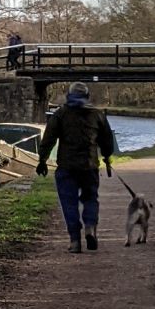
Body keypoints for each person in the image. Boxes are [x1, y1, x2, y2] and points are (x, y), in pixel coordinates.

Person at [36, 80, 117, 252]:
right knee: (90, 199)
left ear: (69, 96)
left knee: (69, 203)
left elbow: (48, 139)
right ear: (87, 97)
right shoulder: (97, 115)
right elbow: (107, 141)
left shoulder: (61, 114)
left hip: (67, 166)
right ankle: (90, 227)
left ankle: (74, 241)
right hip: (89, 166)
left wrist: (42, 160)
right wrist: (107, 156)